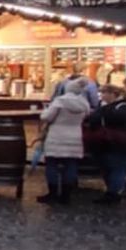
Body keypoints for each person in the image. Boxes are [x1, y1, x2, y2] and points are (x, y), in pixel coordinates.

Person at [37, 76, 91, 204]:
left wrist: (44, 111)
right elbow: (87, 116)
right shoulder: (84, 103)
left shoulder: (60, 101)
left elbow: (47, 117)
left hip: (57, 135)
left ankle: (53, 193)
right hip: (75, 136)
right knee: (71, 164)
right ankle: (66, 195)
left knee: (52, 164)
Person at [85, 85, 126, 204]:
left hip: (120, 142)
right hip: (107, 142)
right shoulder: (104, 106)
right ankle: (112, 191)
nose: (101, 96)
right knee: (109, 167)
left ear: (113, 94)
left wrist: (103, 112)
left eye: (104, 93)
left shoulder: (123, 106)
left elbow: (124, 119)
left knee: (118, 167)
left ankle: (113, 193)